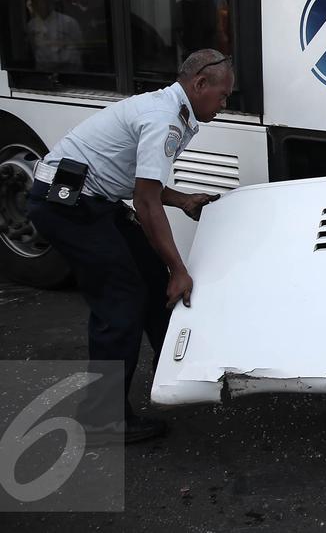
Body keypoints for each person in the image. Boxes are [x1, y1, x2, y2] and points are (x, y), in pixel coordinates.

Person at [26, 49, 234, 442]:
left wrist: (184, 200)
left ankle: (171, 372)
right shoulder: (164, 119)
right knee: (121, 298)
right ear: (200, 84)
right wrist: (180, 268)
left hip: (89, 198)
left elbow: (144, 184)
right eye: (223, 95)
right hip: (67, 204)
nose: (225, 104)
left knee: (152, 279)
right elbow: (144, 201)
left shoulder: (174, 111)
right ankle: (102, 419)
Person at [26, 0, 82, 74]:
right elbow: (33, 48)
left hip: (69, 70)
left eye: (44, 1)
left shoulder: (68, 22)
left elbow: (79, 45)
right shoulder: (31, 25)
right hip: (43, 72)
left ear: (51, 2)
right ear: (33, 5)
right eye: (37, 2)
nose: (41, 5)